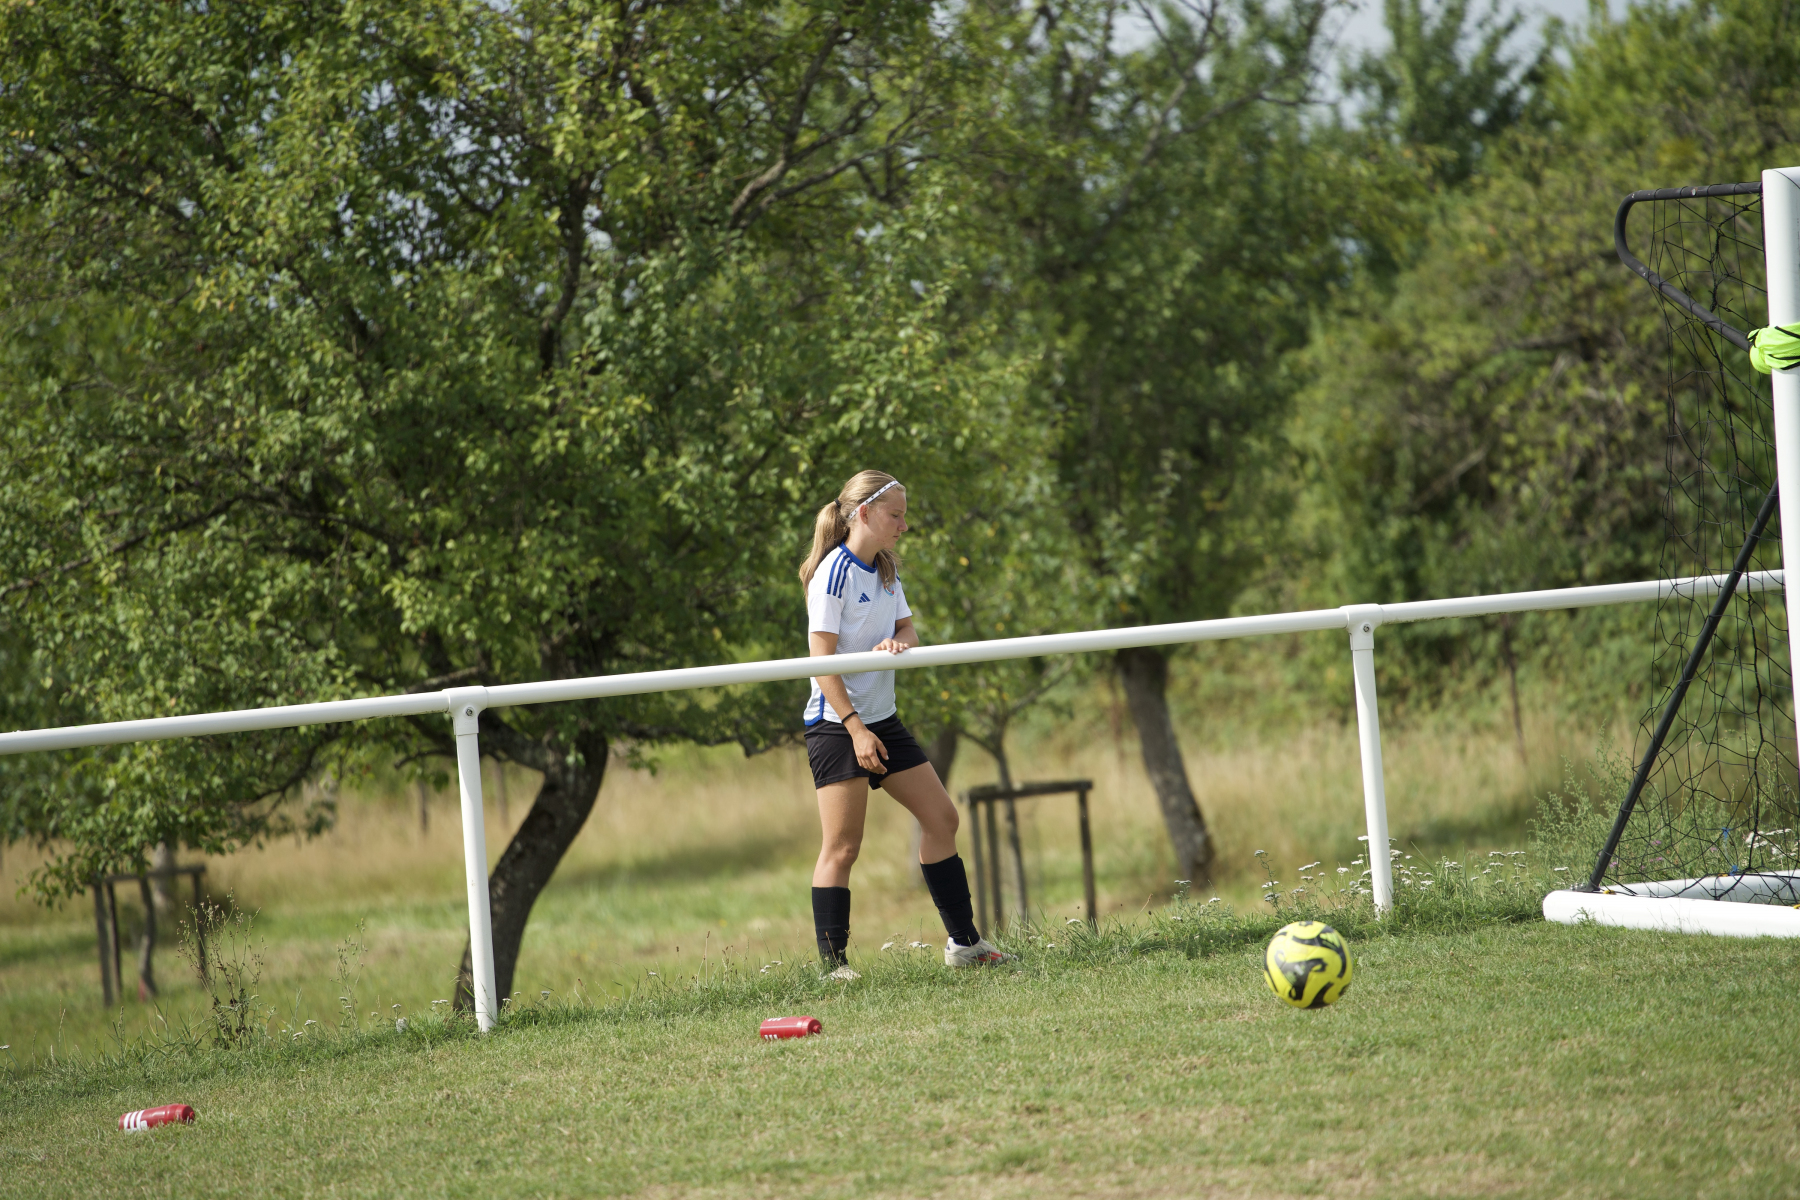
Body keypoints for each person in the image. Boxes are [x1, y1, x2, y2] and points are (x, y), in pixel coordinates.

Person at [798, 469, 1013, 980]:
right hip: (837, 726)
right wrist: (856, 729)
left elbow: (908, 629)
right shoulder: (833, 573)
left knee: (942, 819)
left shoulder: (887, 569)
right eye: (896, 515)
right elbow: (820, 661)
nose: (904, 525)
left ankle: (965, 944)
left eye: (904, 515)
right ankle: (833, 969)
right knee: (843, 847)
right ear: (864, 513)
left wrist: (900, 643)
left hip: (883, 720)